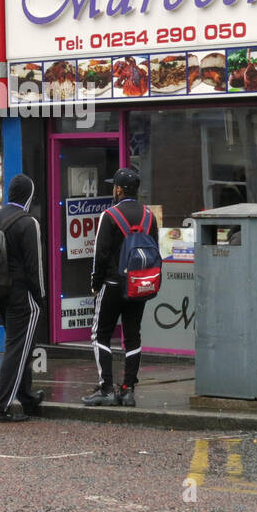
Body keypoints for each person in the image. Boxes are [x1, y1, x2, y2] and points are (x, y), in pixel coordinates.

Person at [83, 167, 158, 407]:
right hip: (139, 284)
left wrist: (95, 284)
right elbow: (155, 250)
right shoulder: (149, 216)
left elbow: (100, 254)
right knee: (133, 336)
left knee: (100, 334)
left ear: (118, 189)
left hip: (113, 283)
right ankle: (128, 389)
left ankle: (106, 388)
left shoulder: (110, 215)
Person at [0, 174, 46, 423]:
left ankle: (27, 397)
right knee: (17, 348)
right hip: (23, 295)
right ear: (29, 195)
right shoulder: (28, 222)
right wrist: (40, 297)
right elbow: (36, 268)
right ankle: (1, 407)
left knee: (21, 345)